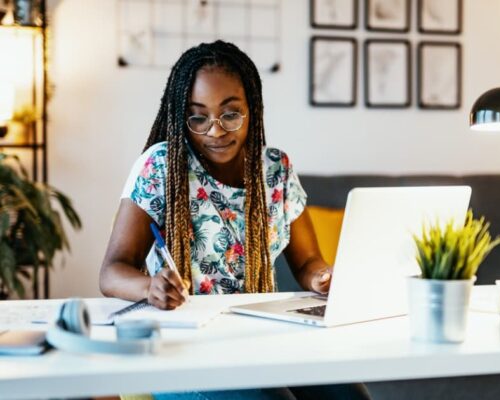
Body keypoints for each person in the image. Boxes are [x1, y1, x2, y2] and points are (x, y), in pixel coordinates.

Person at [100, 41, 371, 400]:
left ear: (252, 109)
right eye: (198, 117)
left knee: (350, 396)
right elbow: (112, 271)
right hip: (185, 348)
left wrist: (321, 277)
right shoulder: (162, 166)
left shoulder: (275, 169)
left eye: (230, 114)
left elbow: (306, 261)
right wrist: (149, 287)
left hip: (262, 338)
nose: (215, 130)